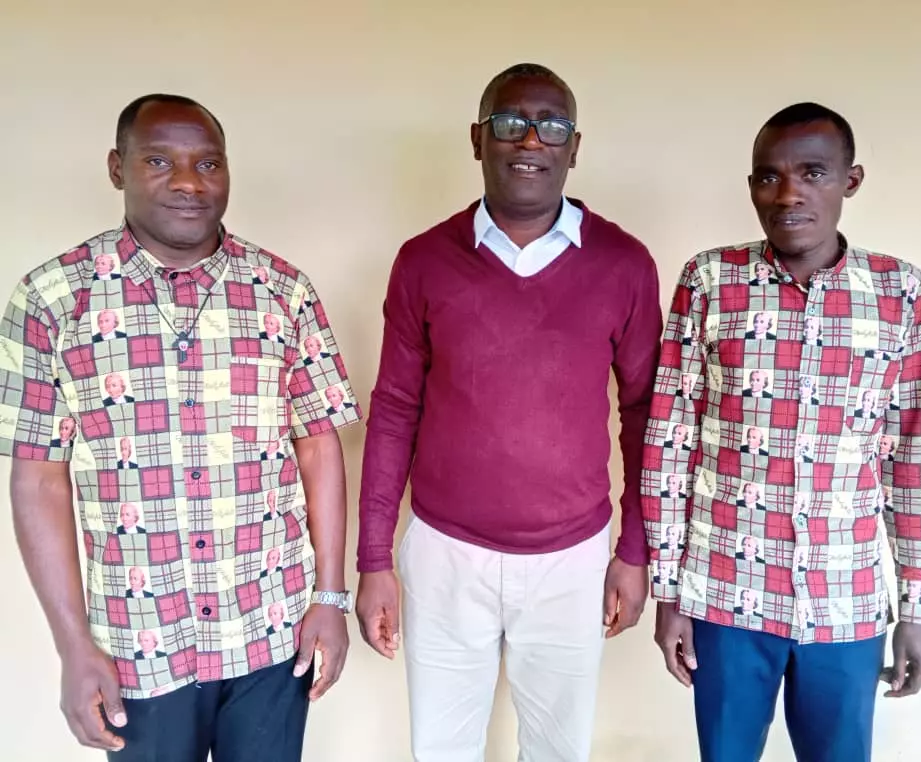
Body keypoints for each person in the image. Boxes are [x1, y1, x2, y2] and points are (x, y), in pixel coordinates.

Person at [0, 93, 361, 761]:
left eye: (209, 163)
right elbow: (39, 480)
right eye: (160, 161)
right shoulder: (53, 300)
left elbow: (319, 447)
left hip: (272, 629)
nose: (189, 182)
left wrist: (331, 598)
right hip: (139, 642)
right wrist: (72, 644)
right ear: (118, 167)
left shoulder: (283, 291)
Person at [355, 63, 663, 762]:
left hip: (573, 559)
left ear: (574, 148)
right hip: (444, 553)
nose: (530, 139)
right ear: (477, 139)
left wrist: (635, 550)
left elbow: (644, 414)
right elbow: (394, 409)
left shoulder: (624, 264)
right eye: (510, 122)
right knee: (441, 750)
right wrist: (374, 559)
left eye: (551, 125)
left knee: (558, 751)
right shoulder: (424, 261)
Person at [642, 102, 921, 762]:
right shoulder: (709, 279)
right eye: (767, 177)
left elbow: (910, 456)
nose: (787, 194)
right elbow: (669, 441)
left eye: (812, 173)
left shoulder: (897, 290)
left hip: (845, 600)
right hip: (725, 595)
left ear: (850, 180)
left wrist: (917, 610)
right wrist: (670, 594)